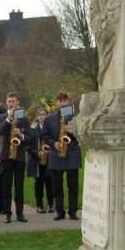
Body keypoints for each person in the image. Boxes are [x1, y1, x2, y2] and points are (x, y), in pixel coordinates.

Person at [41, 91, 83, 221]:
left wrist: (70, 129)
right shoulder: (49, 119)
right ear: (57, 102)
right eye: (60, 100)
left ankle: (73, 211)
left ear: (68, 102)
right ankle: (59, 212)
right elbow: (44, 135)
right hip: (56, 154)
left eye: (64, 100)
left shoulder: (76, 118)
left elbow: (81, 135)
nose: (62, 103)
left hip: (72, 154)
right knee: (57, 186)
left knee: (73, 185)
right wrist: (54, 143)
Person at [0, 92, 32, 224]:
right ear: (6, 102)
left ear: (18, 102)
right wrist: (8, 119)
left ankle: (20, 213)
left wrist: (21, 135)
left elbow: (29, 138)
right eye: (9, 101)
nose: (11, 103)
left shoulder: (24, 119)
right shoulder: (1, 117)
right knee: (6, 186)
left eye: (13, 101)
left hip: (20, 157)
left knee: (19, 186)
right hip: (6, 156)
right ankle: (7, 214)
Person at [27, 108, 55, 214]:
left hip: (49, 159)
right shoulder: (32, 128)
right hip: (37, 161)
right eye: (40, 114)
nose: (42, 116)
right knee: (39, 183)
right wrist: (37, 152)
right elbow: (28, 146)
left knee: (50, 183)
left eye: (44, 114)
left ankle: (51, 205)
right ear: (37, 117)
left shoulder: (51, 128)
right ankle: (39, 205)